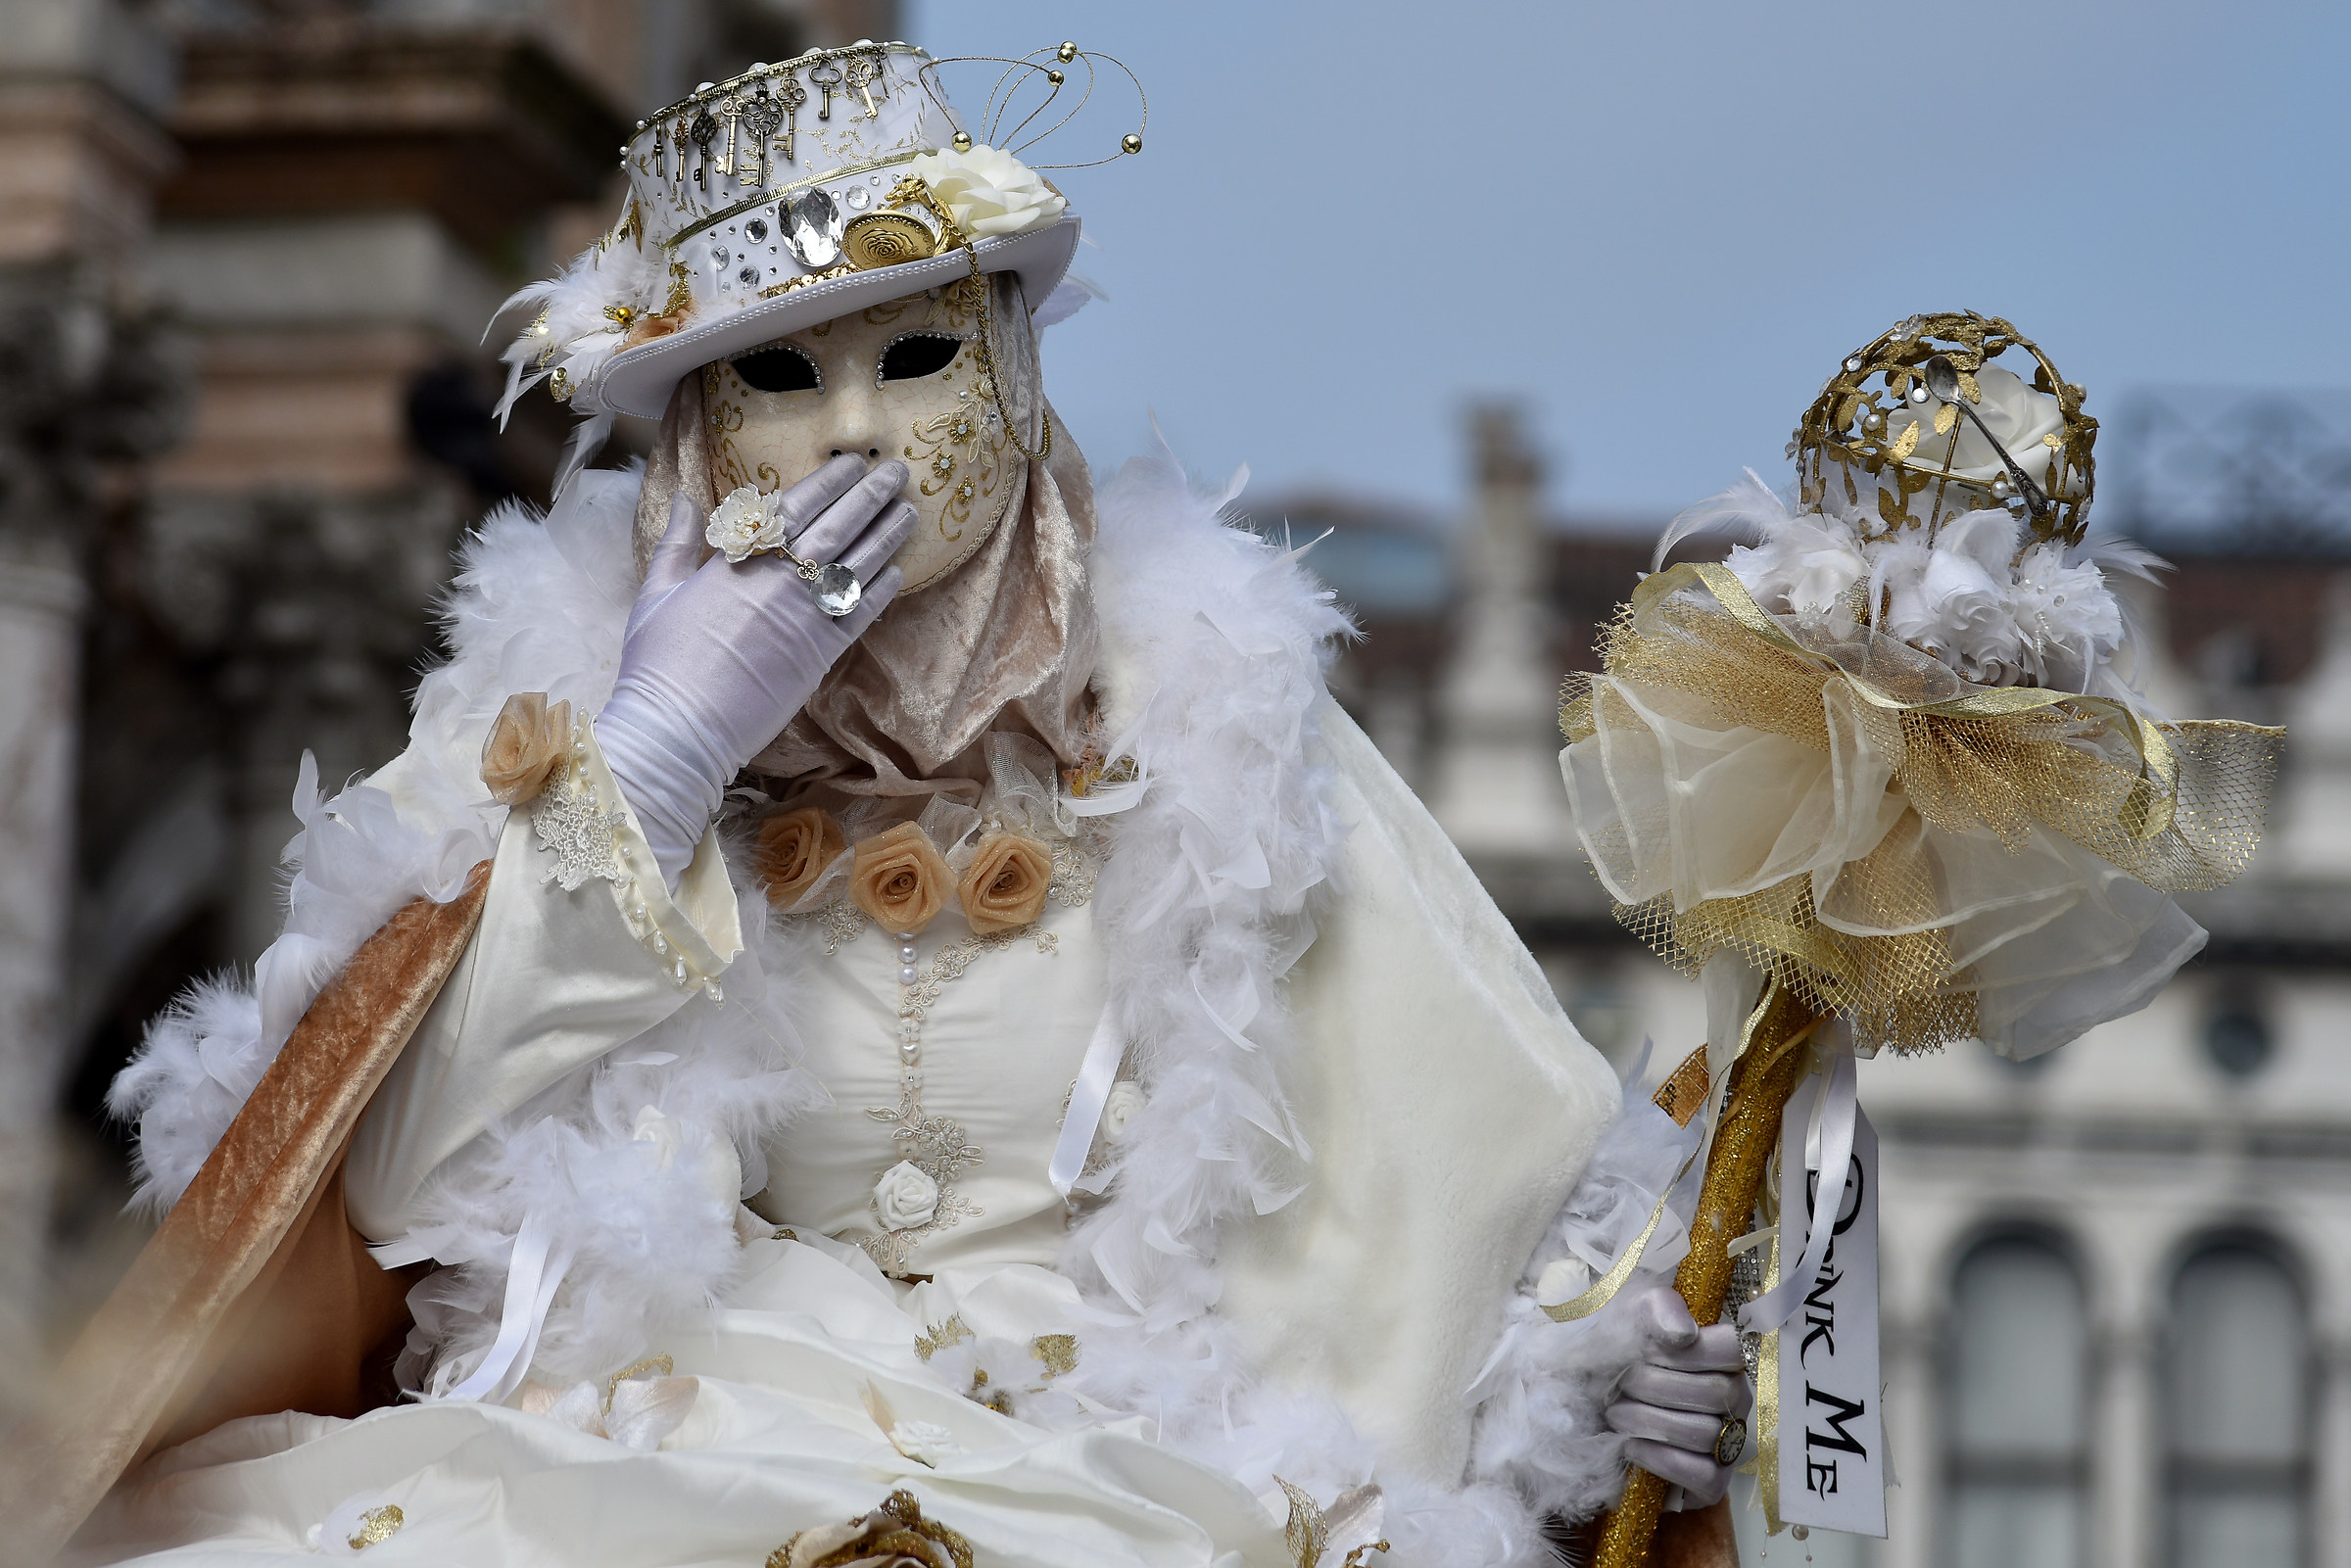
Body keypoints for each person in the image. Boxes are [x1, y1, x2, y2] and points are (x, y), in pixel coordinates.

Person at [90, 40, 1746, 1567]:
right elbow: (366, 1193)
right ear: (695, 437)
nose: (862, 430)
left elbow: (1474, 1186)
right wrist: (654, 758)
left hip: (1131, 1478)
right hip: (647, 1460)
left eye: (919, 352)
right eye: (779, 376)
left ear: (1015, 378)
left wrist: (1594, 1376)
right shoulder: (544, 723)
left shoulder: (1222, 730)